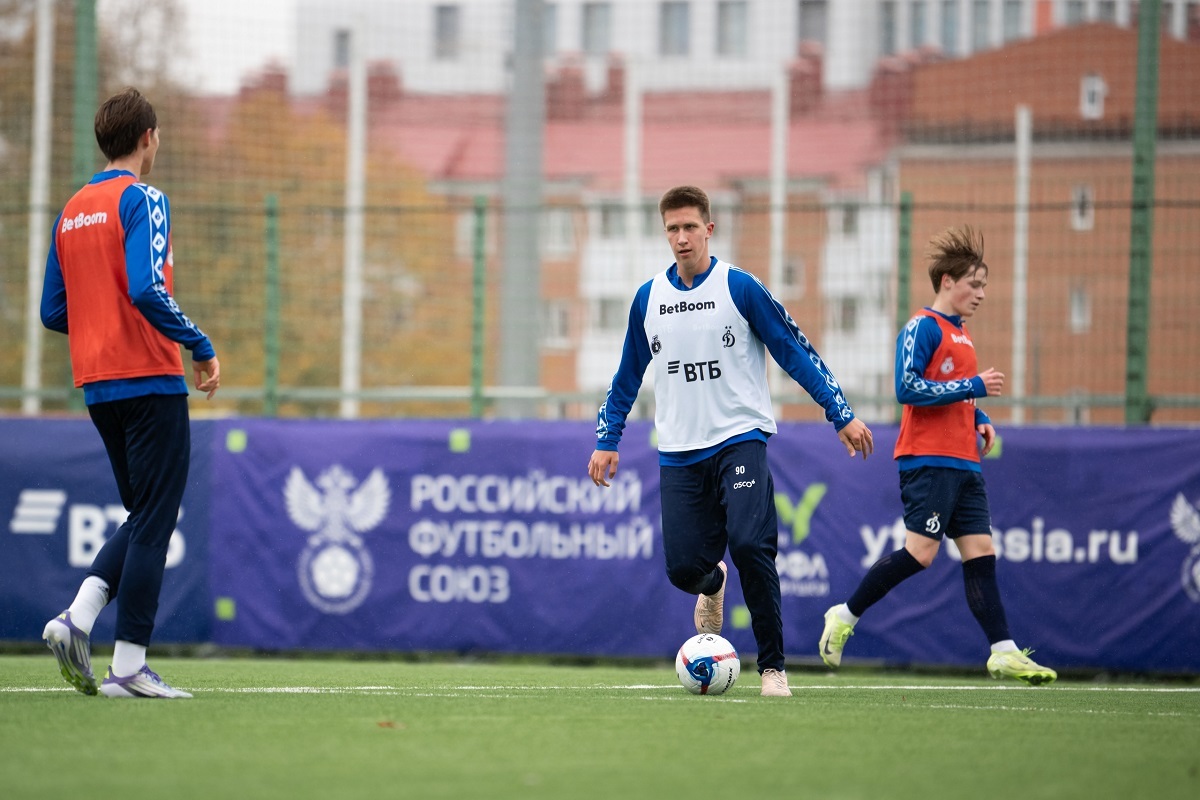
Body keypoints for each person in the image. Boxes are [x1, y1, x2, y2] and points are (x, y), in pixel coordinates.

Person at [588, 185, 874, 697]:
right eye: (672, 229)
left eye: (690, 227)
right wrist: (607, 436)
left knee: (749, 545)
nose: (681, 238)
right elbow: (627, 373)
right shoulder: (648, 299)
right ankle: (712, 585)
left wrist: (841, 413)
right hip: (678, 451)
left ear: (709, 229)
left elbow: (794, 350)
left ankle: (772, 668)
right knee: (682, 569)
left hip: (739, 439)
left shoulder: (739, 288)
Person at [40, 87, 220, 699]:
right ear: (149, 138)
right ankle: (127, 666)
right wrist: (199, 343)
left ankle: (77, 620)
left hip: (96, 384)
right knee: (155, 519)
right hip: (148, 374)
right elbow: (147, 289)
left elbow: (52, 310)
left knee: (142, 515)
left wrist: (98, 325)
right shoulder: (144, 197)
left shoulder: (71, 209)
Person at [818, 226, 1056, 685]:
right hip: (928, 460)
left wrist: (977, 414)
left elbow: (952, 393)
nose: (982, 293)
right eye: (975, 283)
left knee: (981, 550)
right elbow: (907, 388)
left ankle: (1003, 651)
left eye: (985, 284)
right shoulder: (921, 327)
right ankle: (844, 615)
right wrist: (974, 388)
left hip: (965, 461)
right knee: (920, 554)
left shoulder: (962, 335)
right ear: (947, 281)